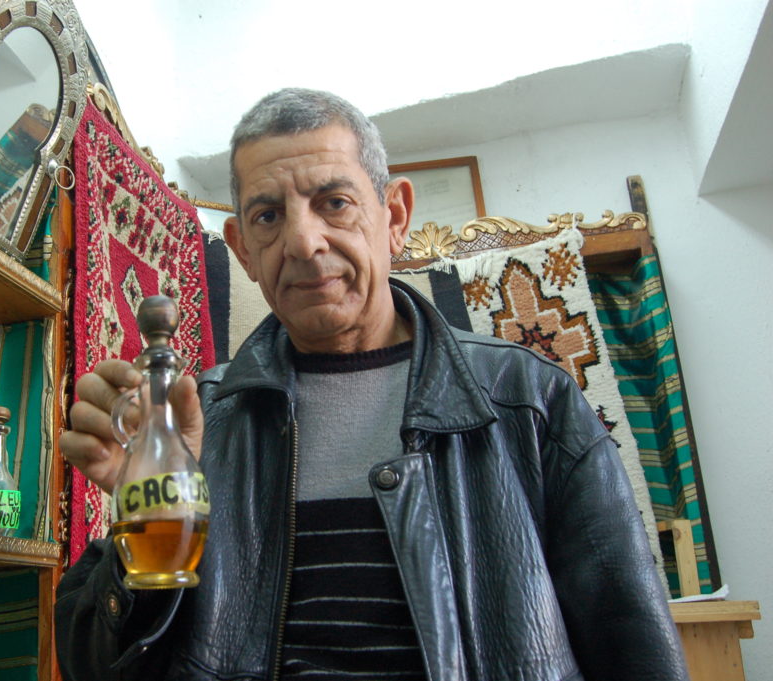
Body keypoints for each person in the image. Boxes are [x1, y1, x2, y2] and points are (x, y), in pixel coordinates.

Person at [55, 88, 688, 681]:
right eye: (269, 216)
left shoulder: (529, 399)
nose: (304, 243)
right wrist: (155, 515)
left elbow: (633, 645)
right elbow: (96, 664)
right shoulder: (198, 426)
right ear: (243, 248)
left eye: (334, 202)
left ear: (395, 216)